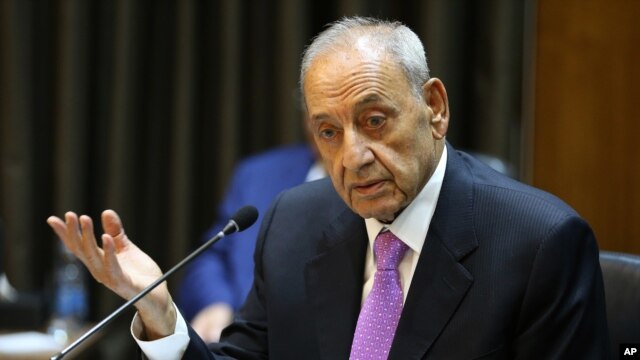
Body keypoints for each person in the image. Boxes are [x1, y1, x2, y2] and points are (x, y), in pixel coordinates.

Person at [47, 16, 609, 359]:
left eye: (374, 121)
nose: (353, 157)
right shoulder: (295, 222)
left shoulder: (540, 243)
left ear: (434, 109)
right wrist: (161, 312)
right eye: (328, 132)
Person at [177, 142, 324, 342]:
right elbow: (214, 255)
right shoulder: (259, 174)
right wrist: (216, 303)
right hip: (240, 340)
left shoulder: (370, 192)